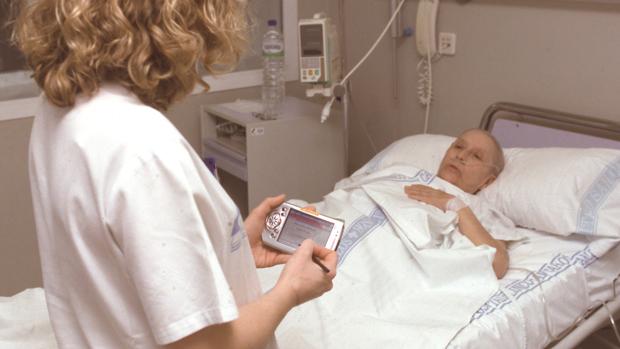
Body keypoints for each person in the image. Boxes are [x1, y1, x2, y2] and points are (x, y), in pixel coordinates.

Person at [13, 0, 337, 348]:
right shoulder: (142, 147)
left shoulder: (60, 108)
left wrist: (232, 247)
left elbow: (116, 253)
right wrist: (290, 290)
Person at [404, 129, 509, 278]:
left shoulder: (479, 209)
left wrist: (454, 205)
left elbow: (497, 264)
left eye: (476, 156)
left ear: (487, 181)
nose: (461, 156)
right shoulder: (406, 175)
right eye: (459, 147)